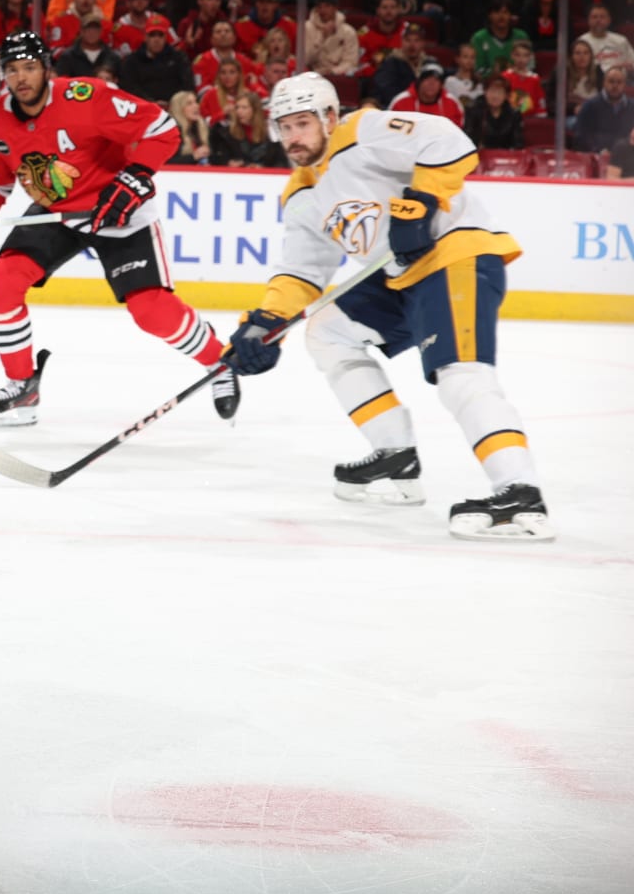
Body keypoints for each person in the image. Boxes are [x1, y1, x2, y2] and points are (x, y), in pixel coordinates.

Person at [226, 73, 548, 540]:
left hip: (454, 254)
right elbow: (302, 270)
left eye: (302, 123)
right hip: (400, 275)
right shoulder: (300, 192)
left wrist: (419, 203)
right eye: (284, 127)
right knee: (326, 332)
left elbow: (448, 139)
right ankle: (396, 456)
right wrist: (263, 324)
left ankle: (519, 488)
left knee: (460, 374)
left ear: (329, 117)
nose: (293, 137)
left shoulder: (363, 130)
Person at [0, 30, 239, 427]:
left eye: (29, 67)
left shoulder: (86, 98)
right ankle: (22, 388)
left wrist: (135, 178)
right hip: (58, 212)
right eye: (12, 70)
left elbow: (161, 128)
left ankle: (219, 363)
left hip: (115, 206)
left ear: (47, 69)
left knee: (151, 312)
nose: (21, 78)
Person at [574, 66, 634, 153]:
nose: (615, 85)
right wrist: (599, 151)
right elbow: (582, 136)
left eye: (619, 82)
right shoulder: (589, 106)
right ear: (604, 83)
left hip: (626, 158)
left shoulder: (632, 107)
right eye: (611, 81)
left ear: (625, 85)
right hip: (595, 156)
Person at [387, 64, 466, 123]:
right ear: (419, 82)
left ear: (441, 85)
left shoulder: (452, 103)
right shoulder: (400, 102)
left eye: (436, 80)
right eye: (427, 79)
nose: (431, 83)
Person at [464, 75, 523, 150]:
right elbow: (468, 140)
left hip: (506, 156)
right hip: (481, 156)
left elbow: (518, 143)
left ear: (506, 96)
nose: (495, 96)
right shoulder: (473, 110)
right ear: (485, 92)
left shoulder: (514, 113)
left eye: (499, 92)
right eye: (492, 91)